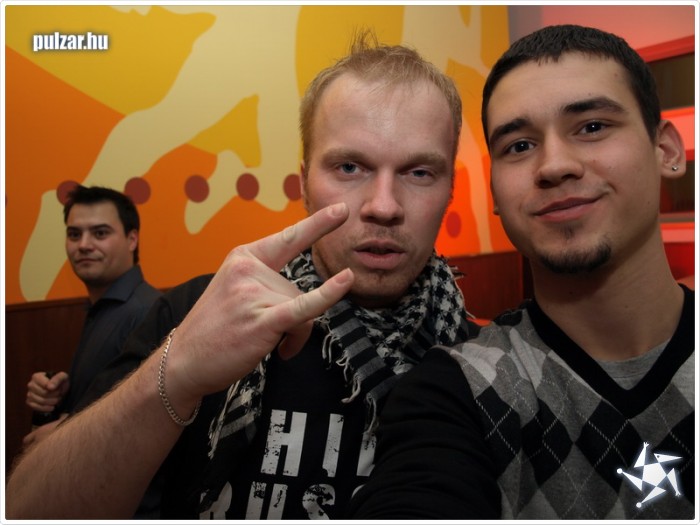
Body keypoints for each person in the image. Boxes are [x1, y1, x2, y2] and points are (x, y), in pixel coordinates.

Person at [6, 32, 478, 519]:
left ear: (449, 190)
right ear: (304, 184)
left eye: (419, 173)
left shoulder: (479, 361)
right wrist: (177, 370)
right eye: (350, 167)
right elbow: (28, 510)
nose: (383, 206)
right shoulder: (194, 313)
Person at [347, 24, 694, 520]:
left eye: (592, 126)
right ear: (494, 192)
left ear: (667, 151)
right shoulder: (462, 389)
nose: (553, 165)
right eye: (519, 146)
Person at [24, 185, 161, 447]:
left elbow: (148, 413)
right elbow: (108, 395)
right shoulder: (102, 308)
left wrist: (64, 431)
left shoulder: (145, 311)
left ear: (132, 239)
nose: (84, 245)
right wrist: (61, 393)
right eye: (74, 234)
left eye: (100, 233)